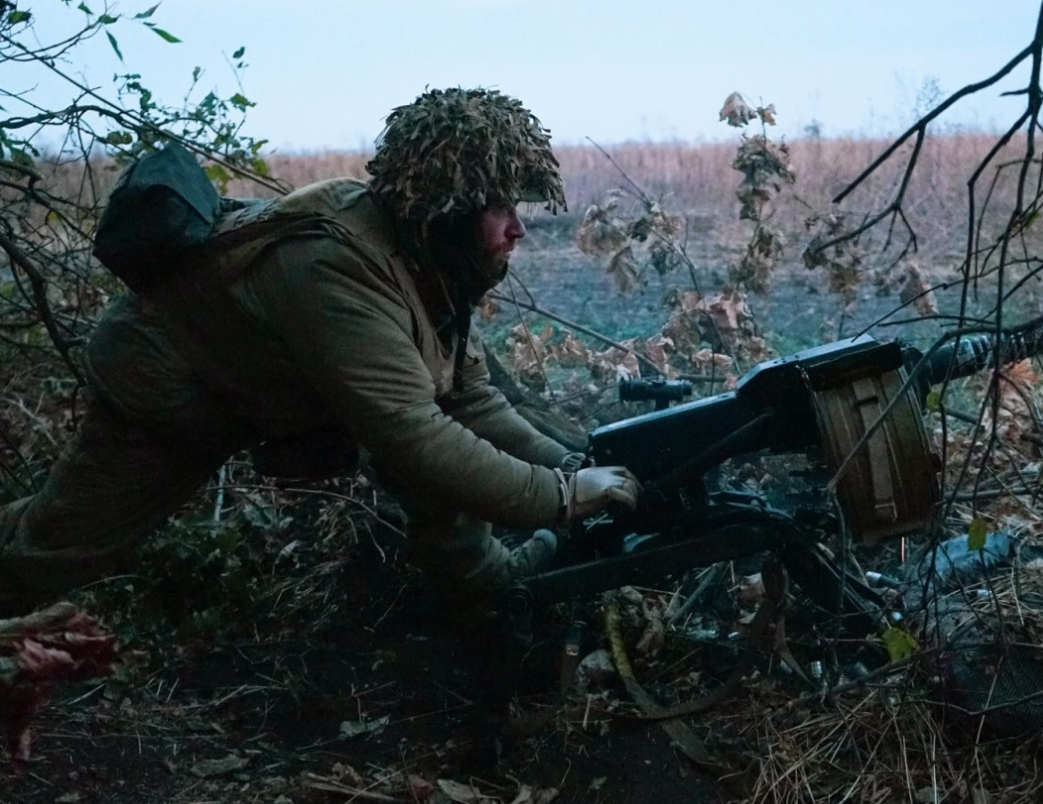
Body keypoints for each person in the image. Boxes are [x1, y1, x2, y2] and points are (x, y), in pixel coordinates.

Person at [0, 87, 641, 618]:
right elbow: (415, 436)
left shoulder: (426, 256)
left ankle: (479, 584)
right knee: (57, 550)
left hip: (256, 376)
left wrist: (573, 465)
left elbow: (470, 398)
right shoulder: (337, 269)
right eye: (499, 208)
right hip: (167, 382)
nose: (518, 228)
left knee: (434, 427)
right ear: (445, 210)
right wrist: (562, 496)